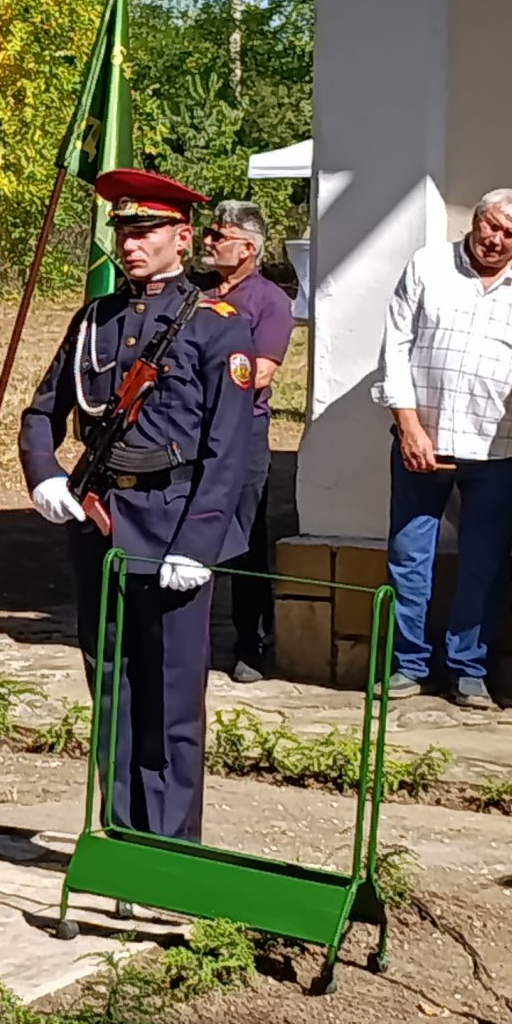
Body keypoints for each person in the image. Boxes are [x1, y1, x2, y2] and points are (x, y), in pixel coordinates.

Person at [20, 170, 259, 842]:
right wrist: (45, 475)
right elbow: (42, 412)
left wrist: (199, 543)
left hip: (173, 525)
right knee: (112, 688)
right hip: (101, 525)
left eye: (145, 231)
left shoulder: (217, 327)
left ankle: (172, 847)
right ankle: (122, 835)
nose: (129, 244)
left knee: (172, 697)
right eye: (124, 230)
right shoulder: (95, 320)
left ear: (182, 238)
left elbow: (228, 450)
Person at [375, 188, 512, 708]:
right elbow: (395, 347)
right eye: (491, 226)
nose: (496, 240)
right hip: (423, 438)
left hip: (498, 444)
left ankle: (468, 669)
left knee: (485, 561)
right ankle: (409, 665)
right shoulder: (428, 264)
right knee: (409, 556)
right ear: (476, 220)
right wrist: (408, 426)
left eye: (510, 235)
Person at [200, 200, 294, 684]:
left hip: (243, 432)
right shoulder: (195, 294)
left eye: (220, 235)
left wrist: (197, 378)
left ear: (248, 248)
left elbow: (260, 373)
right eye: (209, 232)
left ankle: (251, 643)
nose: (209, 241)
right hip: (191, 429)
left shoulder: (270, 300)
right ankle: (190, 640)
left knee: (246, 535)